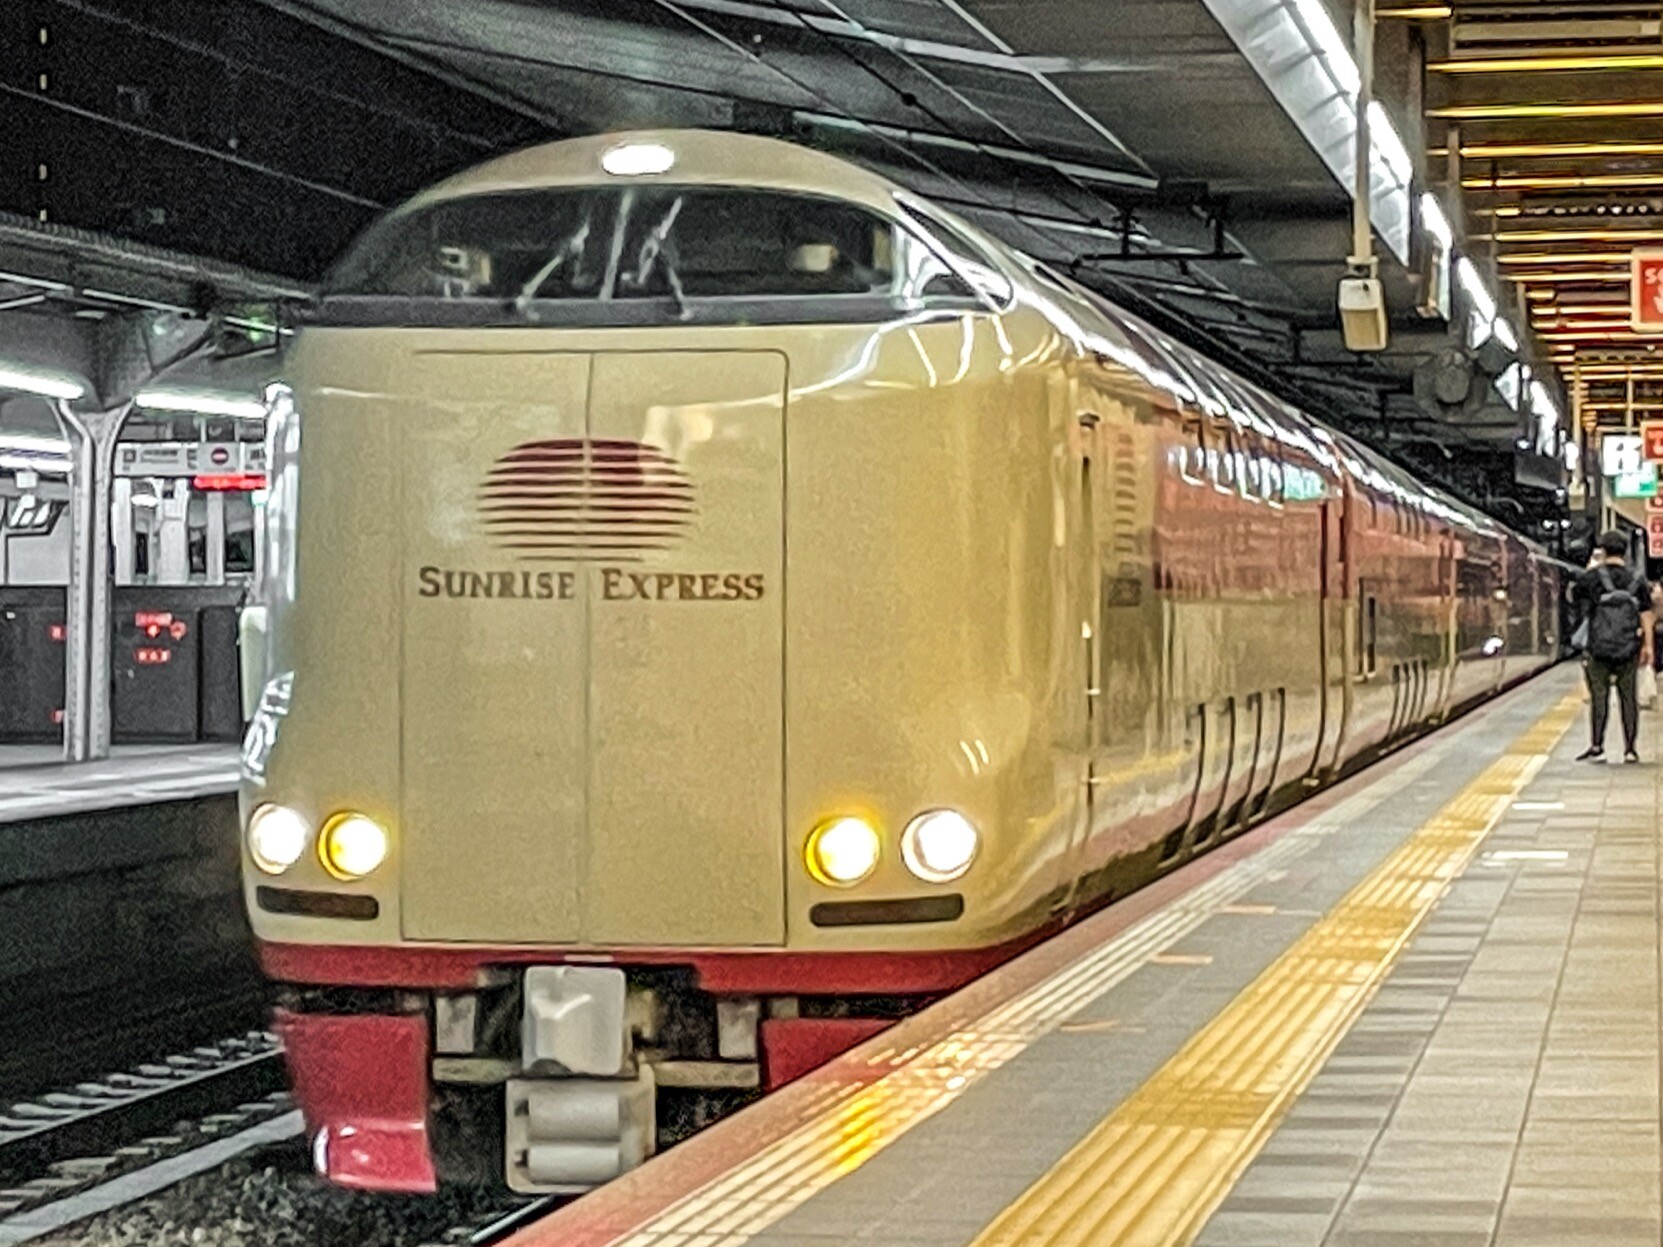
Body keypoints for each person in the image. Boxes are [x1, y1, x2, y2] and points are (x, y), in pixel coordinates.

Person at [1574, 531, 1655, 762]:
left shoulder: (1591, 578)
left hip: (1598, 646)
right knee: (1628, 698)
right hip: (1628, 647)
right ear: (1625, 551)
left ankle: (1597, 746)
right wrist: (1648, 646)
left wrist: (1592, 568)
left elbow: (1575, 600)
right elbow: (1646, 615)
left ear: (1603, 550)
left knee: (1598, 698)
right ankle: (1630, 749)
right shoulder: (1637, 579)